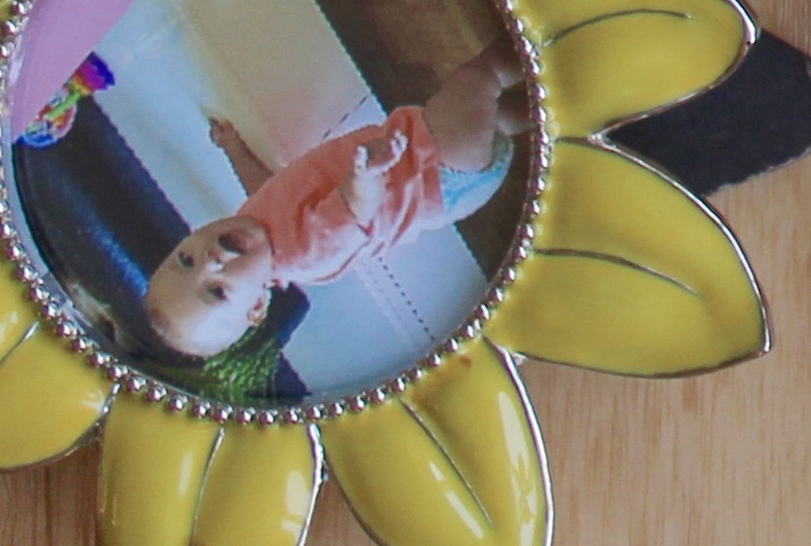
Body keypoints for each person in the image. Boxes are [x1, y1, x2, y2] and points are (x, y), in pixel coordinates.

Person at [139, 46, 527, 363]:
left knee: (500, 118)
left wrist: (234, 149)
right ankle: (540, 40)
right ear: (258, 305)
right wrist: (364, 175)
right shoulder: (304, 252)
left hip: (441, 177)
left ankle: (551, 100)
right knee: (480, 77)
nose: (209, 262)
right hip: (437, 170)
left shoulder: (254, 230)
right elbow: (355, 209)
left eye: (186, 260)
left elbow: (267, 189)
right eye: (217, 291)